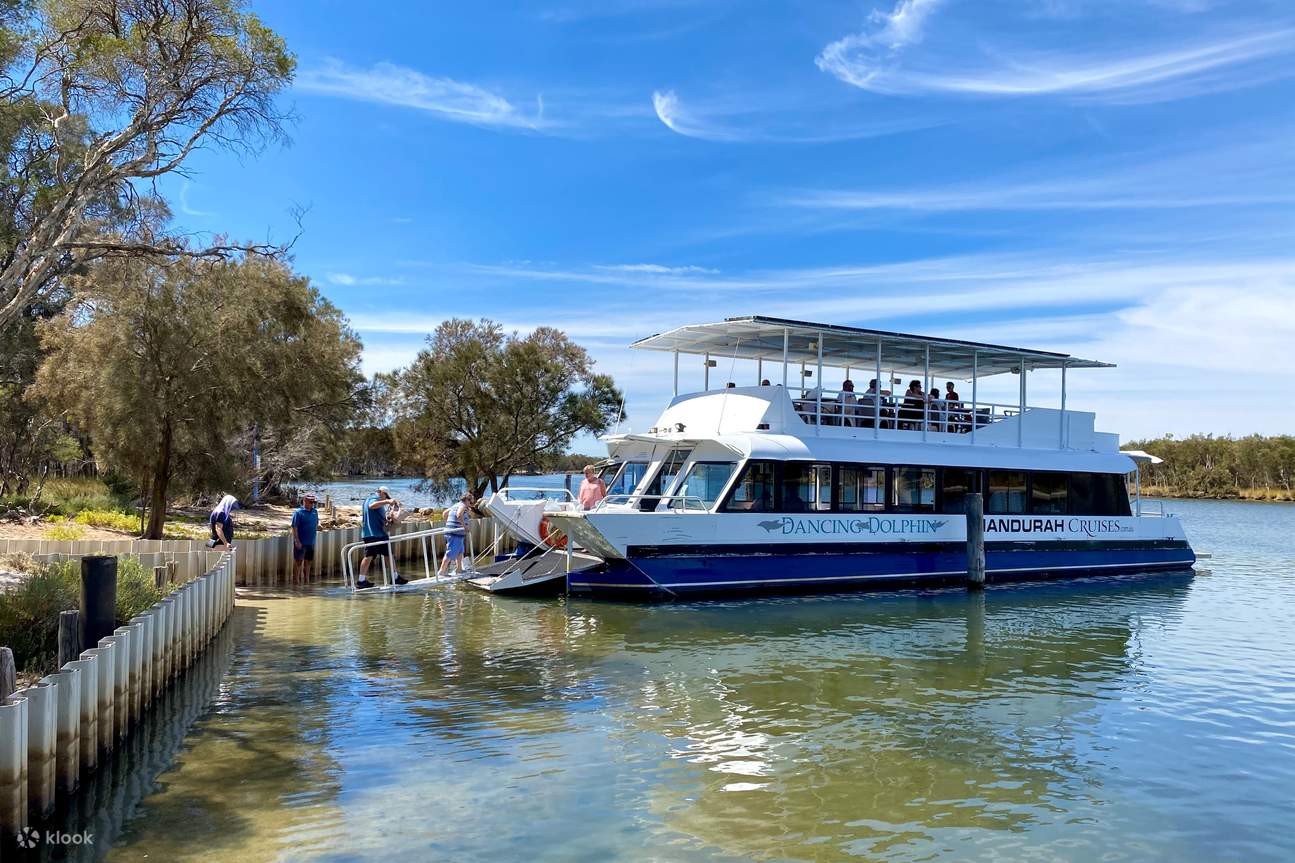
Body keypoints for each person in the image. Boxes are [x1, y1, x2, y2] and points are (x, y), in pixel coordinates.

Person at [356, 486, 403, 589]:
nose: (386, 498)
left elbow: (377, 515)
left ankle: (395, 577)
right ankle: (361, 581)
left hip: (380, 533)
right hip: (372, 534)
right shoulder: (373, 498)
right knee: (369, 556)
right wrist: (387, 501)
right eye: (386, 495)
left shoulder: (377, 502)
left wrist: (388, 519)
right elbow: (371, 506)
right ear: (381, 492)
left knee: (388, 555)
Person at [438, 492, 474, 576]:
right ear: (467, 500)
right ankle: (442, 571)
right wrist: (464, 526)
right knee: (451, 552)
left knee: (460, 551)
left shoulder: (455, 505)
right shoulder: (463, 506)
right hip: (455, 533)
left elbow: (444, 513)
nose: (471, 504)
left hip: (454, 532)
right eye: (471, 502)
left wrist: (449, 524)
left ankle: (459, 569)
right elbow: (458, 515)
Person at [291, 493, 320, 583]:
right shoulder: (298, 512)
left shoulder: (315, 512)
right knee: (298, 562)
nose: (312, 504)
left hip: (311, 542)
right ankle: (296, 582)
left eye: (313, 502)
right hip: (301, 542)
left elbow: (316, 523)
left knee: (308, 562)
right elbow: (294, 527)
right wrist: (297, 541)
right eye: (310, 502)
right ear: (304, 501)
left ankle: (307, 581)